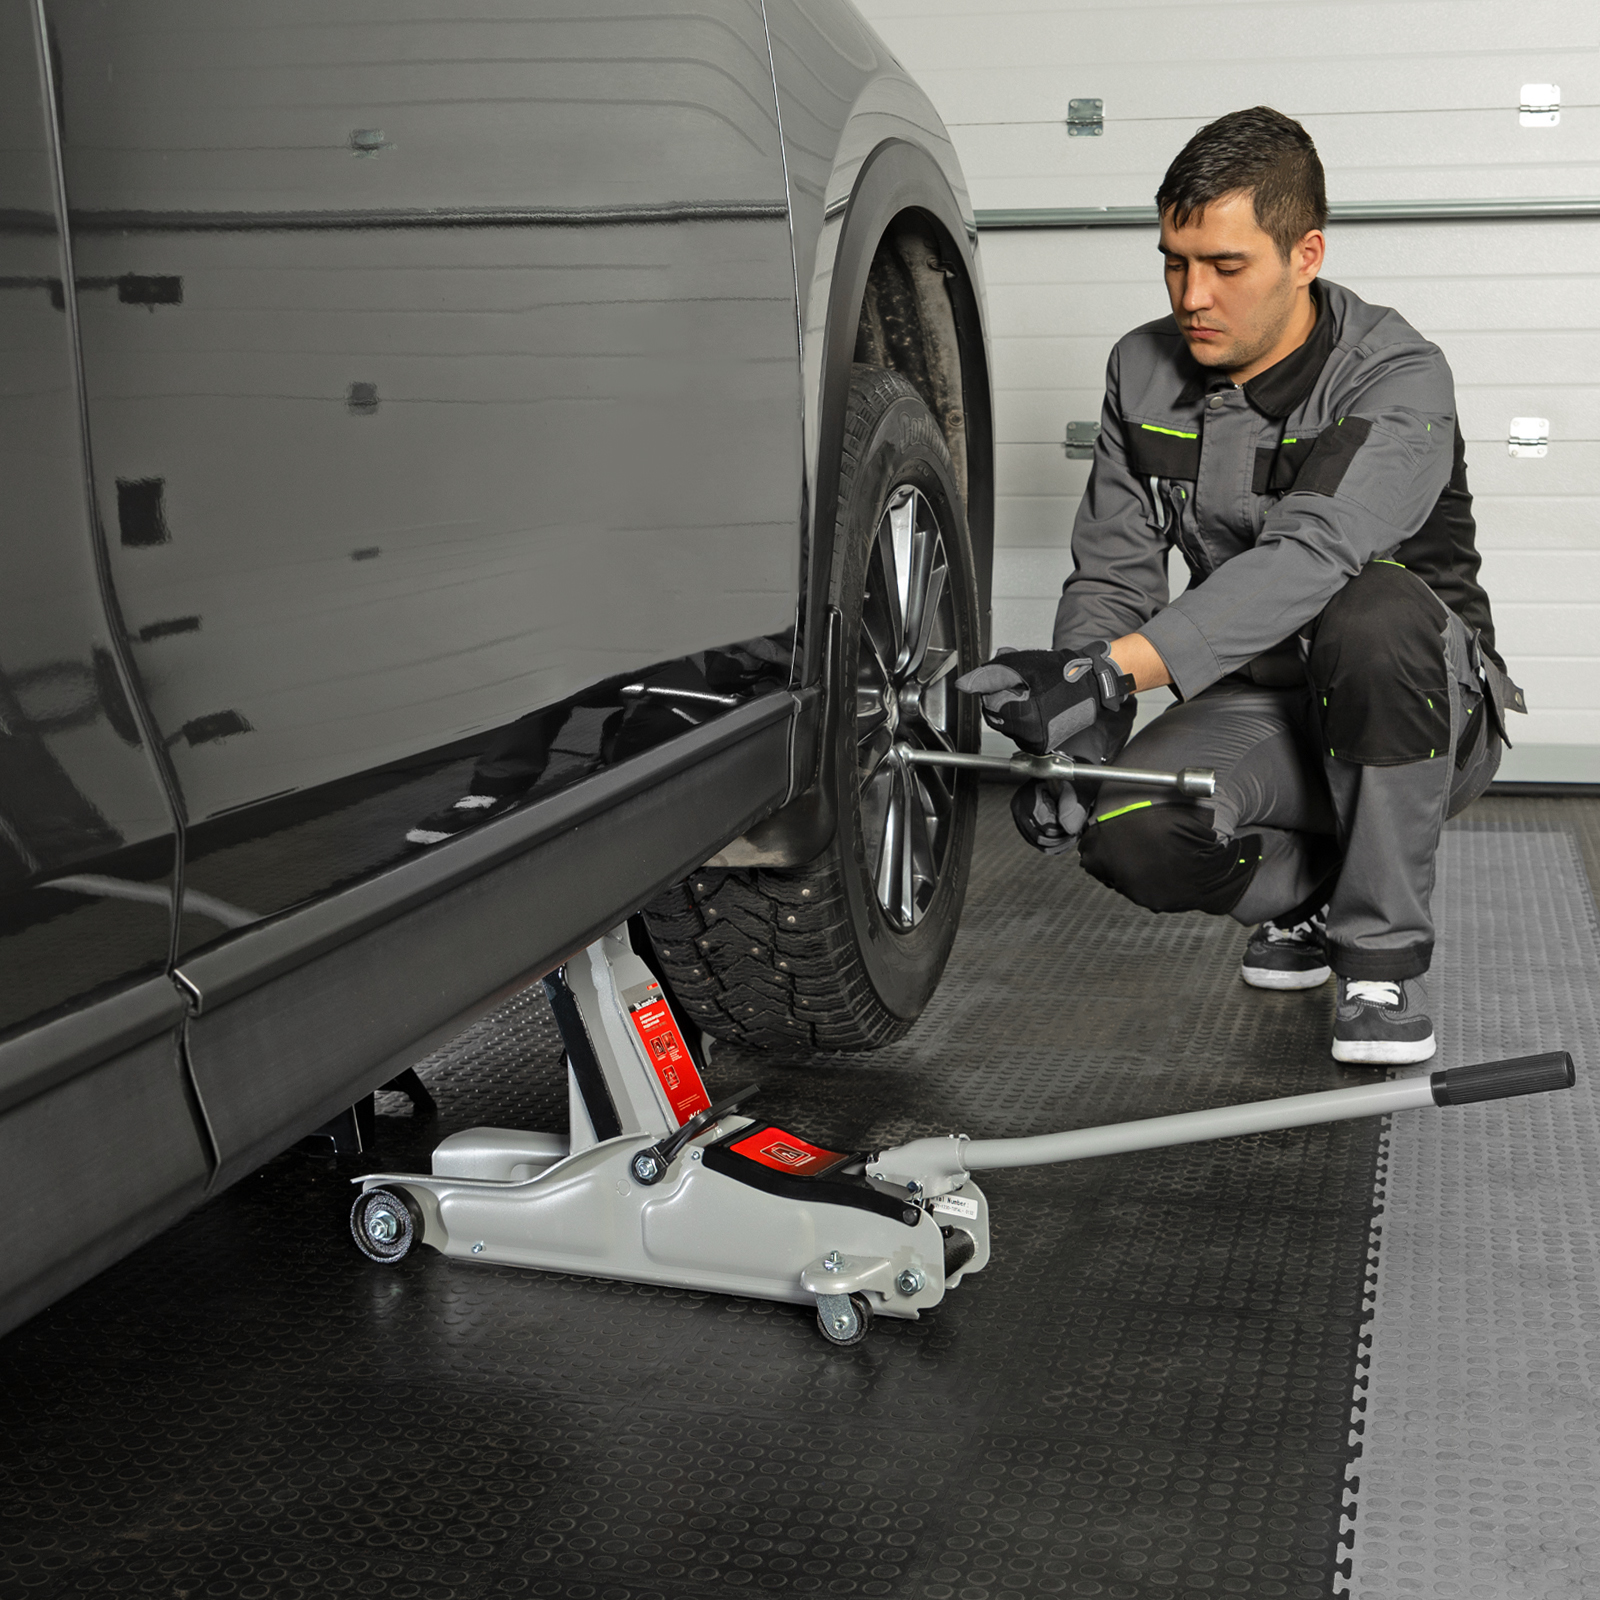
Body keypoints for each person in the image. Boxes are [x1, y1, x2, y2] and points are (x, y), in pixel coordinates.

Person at [957, 106, 1524, 1065]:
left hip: (1421, 707)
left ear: (1306, 255)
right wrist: (1078, 739)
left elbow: (1313, 555)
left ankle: (1377, 961)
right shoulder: (1142, 370)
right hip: (1263, 699)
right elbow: (1113, 571)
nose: (1194, 296)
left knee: (1372, 612)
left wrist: (1110, 675)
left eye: (1226, 266)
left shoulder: (1396, 375)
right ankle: (1316, 892)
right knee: (1128, 829)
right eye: (1175, 263)